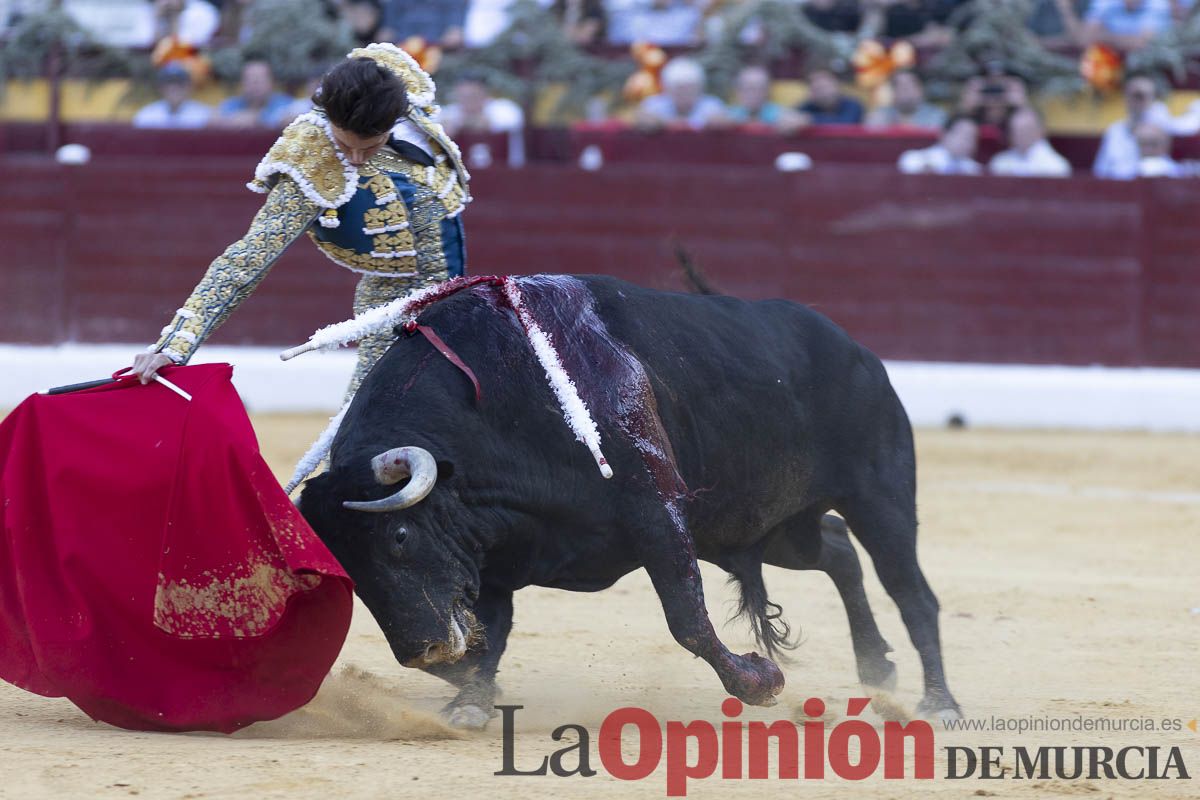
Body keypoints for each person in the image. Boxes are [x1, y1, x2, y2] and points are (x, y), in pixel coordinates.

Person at [133, 44, 472, 403]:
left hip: (454, 292)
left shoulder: (400, 90)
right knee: (377, 409)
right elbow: (247, 259)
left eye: (369, 149)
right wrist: (173, 347)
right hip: (391, 298)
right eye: (345, 146)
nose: (355, 160)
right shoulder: (311, 161)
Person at [1093, 72, 1173, 178]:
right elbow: (1101, 171)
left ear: (1152, 99)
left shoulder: (1161, 127)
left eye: (1143, 96)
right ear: (1126, 98)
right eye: (1135, 96)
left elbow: (1168, 170)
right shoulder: (1115, 131)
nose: (1138, 101)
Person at [438, 73, 526, 166]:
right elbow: (436, 126)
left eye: (473, 96)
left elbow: (486, 123)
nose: (468, 101)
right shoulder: (449, 111)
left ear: (485, 93)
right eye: (463, 96)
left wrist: (459, 123)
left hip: (507, 171)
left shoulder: (505, 108)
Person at [633, 56, 726, 130]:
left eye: (690, 89)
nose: (685, 94)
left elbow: (720, 122)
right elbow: (642, 120)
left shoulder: (713, 105)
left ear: (700, 89)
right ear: (668, 90)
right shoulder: (653, 105)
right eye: (679, 89)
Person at [210, 58, 296, 129]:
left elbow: (294, 120)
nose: (255, 84)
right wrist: (230, 121)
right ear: (241, 83)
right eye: (250, 79)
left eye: (260, 79)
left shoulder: (287, 104)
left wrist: (259, 119)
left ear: (272, 82)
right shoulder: (231, 104)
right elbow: (213, 121)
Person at [989, 107, 1071, 177]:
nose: (1019, 136)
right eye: (1015, 131)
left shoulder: (1056, 166)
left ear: (1040, 131)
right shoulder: (999, 162)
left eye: (1025, 130)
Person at [1082, 0, 1188, 51]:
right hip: (1107, 67)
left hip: (1146, 68)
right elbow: (1085, 39)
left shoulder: (1159, 4)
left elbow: (1144, 43)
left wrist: (1104, 37)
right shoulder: (1104, 2)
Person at [132, 63, 212, 129]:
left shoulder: (205, 115)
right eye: (169, 83)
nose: (173, 88)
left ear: (189, 87)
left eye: (179, 83)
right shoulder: (146, 115)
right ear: (160, 88)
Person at [897, 114, 982, 175]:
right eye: (962, 135)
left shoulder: (974, 169)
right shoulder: (918, 158)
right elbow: (907, 163)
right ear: (944, 134)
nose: (966, 141)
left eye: (971, 137)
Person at [864, 70, 947, 130]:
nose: (904, 90)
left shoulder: (936, 116)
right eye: (899, 85)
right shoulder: (880, 114)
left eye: (909, 85)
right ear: (893, 91)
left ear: (921, 89)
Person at [718, 64, 787, 126]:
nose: (754, 94)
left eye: (760, 88)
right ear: (738, 91)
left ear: (767, 91)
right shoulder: (730, 114)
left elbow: (792, 119)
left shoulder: (779, 113)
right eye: (748, 88)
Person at [794, 67, 864, 125]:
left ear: (837, 85)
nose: (822, 93)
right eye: (816, 88)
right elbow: (793, 117)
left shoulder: (852, 105)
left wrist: (809, 120)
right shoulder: (808, 106)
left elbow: (845, 123)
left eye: (824, 87)